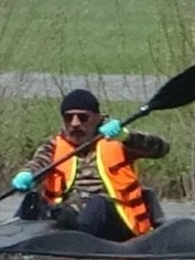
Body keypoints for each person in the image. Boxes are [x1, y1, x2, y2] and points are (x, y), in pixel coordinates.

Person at [9, 88, 169, 242]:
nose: (75, 123)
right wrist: (27, 174)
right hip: (66, 214)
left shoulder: (118, 141)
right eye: (68, 118)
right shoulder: (55, 145)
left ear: (97, 118)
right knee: (32, 199)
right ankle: (7, 230)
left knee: (97, 203)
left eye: (83, 117)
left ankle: (75, 234)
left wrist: (127, 137)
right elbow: (39, 163)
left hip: (113, 219)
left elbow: (161, 149)